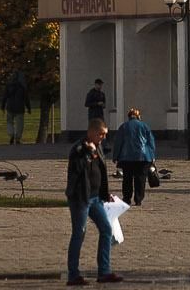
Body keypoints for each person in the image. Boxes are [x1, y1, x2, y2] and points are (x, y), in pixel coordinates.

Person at [66, 119, 123, 285]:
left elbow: (101, 173)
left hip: (96, 197)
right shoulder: (78, 149)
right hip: (80, 198)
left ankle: (104, 271)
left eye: (105, 134)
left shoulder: (98, 147)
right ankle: (73, 274)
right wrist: (88, 153)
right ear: (91, 132)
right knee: (79, 233)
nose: (103, 137)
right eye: (101, 134)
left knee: (106, 229)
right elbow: (77, 169)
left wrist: (106, 194)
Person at [113, 108, 157, 207]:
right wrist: (152, 156)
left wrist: (115, 156)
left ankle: (127, 199)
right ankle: (138, 199)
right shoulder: (145, 126)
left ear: (129, 117)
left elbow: (118, 142)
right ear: (138, 116)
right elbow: (151, 142)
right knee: (140, 179)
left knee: (127, 179)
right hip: (143, 157)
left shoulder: (123, 127)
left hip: (126, 157)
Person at [1, 71, 30, 145]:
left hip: (10, 107)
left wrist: (3, 106)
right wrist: (28, 107)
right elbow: (26, 98)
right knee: (20, 124)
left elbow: (5, 97)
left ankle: (11, 134)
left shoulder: (8, 86)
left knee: (9, 122)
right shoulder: (22, 87)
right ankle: (18, 138)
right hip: (20, 107)